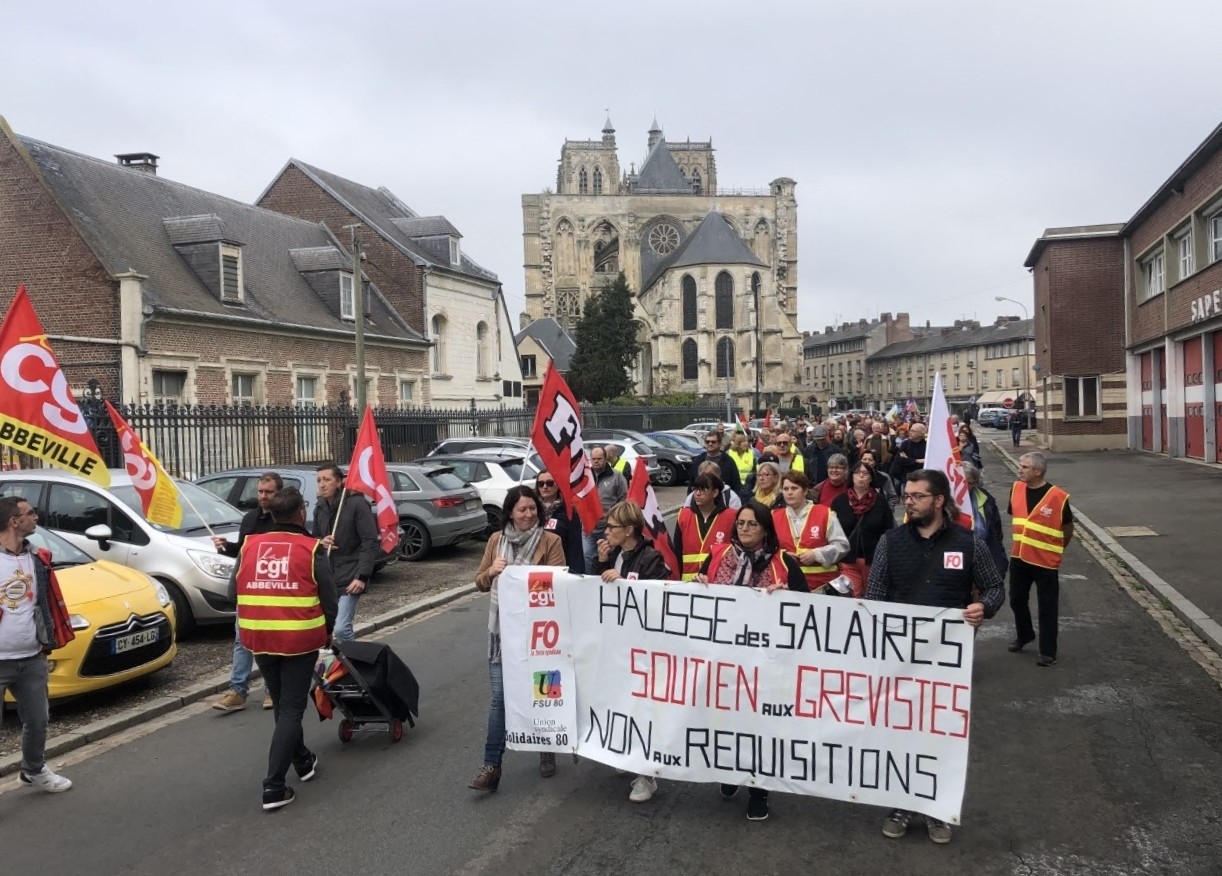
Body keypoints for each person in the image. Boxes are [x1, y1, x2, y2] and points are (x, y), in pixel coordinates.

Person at [867, 469, 1004, 845]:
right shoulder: (890, 543)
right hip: (899, 657)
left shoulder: (969, 544)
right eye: (906, 496)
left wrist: (982, 606)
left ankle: (935, 809)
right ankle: (900, 804)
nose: (907, 501)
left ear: (939, 501)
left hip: (947, 662)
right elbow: (875, 595)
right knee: (901, 734)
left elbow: (994, 587)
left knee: (941, 736)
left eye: (916, 496)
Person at [694, 501, 807, 821]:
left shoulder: (785, 563)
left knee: (760, 729)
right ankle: (730, 773)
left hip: (766, 665)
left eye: (752, 524)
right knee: (725, 723)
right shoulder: (718, 556)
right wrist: (698, 587)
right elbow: (697, 597)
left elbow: (806, 610)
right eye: (741, 523)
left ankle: (759, 791)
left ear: (766, 529)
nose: (744, 529)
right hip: (724, 662)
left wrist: (786, 598)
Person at [233, 487, 337, 811]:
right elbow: (329, 600)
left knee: (281, 703)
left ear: (273, 513)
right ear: (301, 514)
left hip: (259, 637)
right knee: (291, 709)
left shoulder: (250, 545)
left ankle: (303, 761)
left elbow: (231, 590)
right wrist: (328, 631)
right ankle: (274, 786)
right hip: (297, 638)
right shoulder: (310, 548)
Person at [469, 486, 566, 792]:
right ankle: (491, 766)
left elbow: (560, 581)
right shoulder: (496, 541)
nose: (528, 515)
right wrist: (493, 573)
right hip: (502, 635)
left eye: (532, 509)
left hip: (540, 637)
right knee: (500, 699)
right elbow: (479, 582)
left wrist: (528, 576)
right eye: (522, 510)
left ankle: (546, 746)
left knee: (543, 693)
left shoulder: (551, 540)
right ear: (510, 512)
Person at [595, 500, 673, 804]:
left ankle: (647, 775)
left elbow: (658, 599)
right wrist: (601, 565)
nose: (607, 531)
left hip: (645, 650)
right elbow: (598, 592)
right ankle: (627, 753)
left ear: (629, 529)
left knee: (644, 710)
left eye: (612, 526)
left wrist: (626, 582)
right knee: (621, 703)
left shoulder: (651, 558)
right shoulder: (615, 554)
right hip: (619, 645)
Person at [0, 496, 74, 793]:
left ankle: (33, 770)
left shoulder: (37, 559)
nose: (36, 517)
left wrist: (47, 642)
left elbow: (42, 605)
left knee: (38, 720)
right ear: (13, 521)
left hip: (31, 657)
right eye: (30, 513)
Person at [213, 471, 284, 712]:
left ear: (278, 493)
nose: (263, 496)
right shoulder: (250, 518)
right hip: (248, 590)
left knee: (270, 641)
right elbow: (244, 551)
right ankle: (237, 691)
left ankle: (271, 690)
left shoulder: (283, 521)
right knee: (241, 640)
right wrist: (226, 547)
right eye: (260, 492)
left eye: (269, 492)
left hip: (272, 590)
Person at [1007, 451, 1073, 667]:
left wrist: (1057, 548)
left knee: (1047, 606)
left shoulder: (1058, 497)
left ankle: (1048, 651)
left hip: (1045, 561)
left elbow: (1067, 528)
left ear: (1038, 471)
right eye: (1020, 466)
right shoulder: (1016, 489)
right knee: (1016, 599)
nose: (1020, 469)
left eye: (1024, 467)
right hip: (1019, 556)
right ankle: (1025, 634)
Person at [313, 464, 377, 644]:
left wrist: (362, 577)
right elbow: (313, 538)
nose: (322, 485)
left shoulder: (357, 504)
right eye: (319, 480)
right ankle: (339, 666)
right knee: (326, 630)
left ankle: (355, 666)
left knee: (341, 629)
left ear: (339, 481)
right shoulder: (320, 506)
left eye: (327, 480)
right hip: (328, 576)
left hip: (351, 575)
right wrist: (320, 541)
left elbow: (369, 541)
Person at [773, 470, 849, 592]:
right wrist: (784, 555)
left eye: (794, 488)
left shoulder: (824, 513)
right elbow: (767, 548)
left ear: (805, 491)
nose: (789, 493)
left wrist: (816, 554)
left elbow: (842, 546)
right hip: (787, 584)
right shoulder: (774, 516)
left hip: (823, 586)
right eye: (786, 489)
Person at [830, 462, 895, 597]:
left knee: (871, 597)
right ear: (851, 476)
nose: (861, 476)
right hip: (847, 560)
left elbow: (889, 530)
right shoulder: (839, 501)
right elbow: (831, 530)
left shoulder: (880, 501)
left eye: (865, 473)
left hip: (873, 561)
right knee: (851, 596)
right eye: (857, 473)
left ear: (871, 478)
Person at [673, 473, 737, 581]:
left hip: (716, 582)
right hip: (688, 583)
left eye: (703, 490)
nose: (697, 493)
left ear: (715, 492)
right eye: (696, 489)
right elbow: (677, 552)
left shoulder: (731, 516)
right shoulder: (683, 516)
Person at [584, 446, 628, 572]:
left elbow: (624, 498)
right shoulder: (585, 476)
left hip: (608, 527)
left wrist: (613, 513)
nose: (596, 461)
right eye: (594, 459)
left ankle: (608, 580)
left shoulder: (617, 476)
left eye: (599, 458)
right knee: (587, 555)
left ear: (606, 459)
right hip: (588, 527)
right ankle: (590, 582)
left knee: (608, 555)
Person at [961, 462, 1007, 581]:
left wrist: (1000, 562)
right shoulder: (943, 501)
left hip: (982, 560)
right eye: (961, 481)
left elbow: (996, 533)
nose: (964, 486)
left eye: (968, 483)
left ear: (975, 483)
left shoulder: (986, 500)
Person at [536, 472, 585, 574]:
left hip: (559, 567)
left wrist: (575, 575)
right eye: (541, 484)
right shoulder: (532, 510)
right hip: (534, 567)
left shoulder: (569, 512)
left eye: (549, 483)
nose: (545, 487)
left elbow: (575, 548)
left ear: (558, 484)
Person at [689, 432, 743, 496]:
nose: (710, 444)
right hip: (701, 500)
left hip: (723, 499)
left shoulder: (728, 461)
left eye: (713, 442)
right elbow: (691, 484)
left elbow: (736, 484)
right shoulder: (698, 461)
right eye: (707, 441)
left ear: (720, 443)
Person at [726, 431, 757, 495]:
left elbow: (756, 469)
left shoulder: (751, 453)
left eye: (747, 441)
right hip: (733, 486)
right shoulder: (729, 453)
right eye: (744, 441)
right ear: (738, 443)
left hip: (748, 486)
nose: (746, 443)